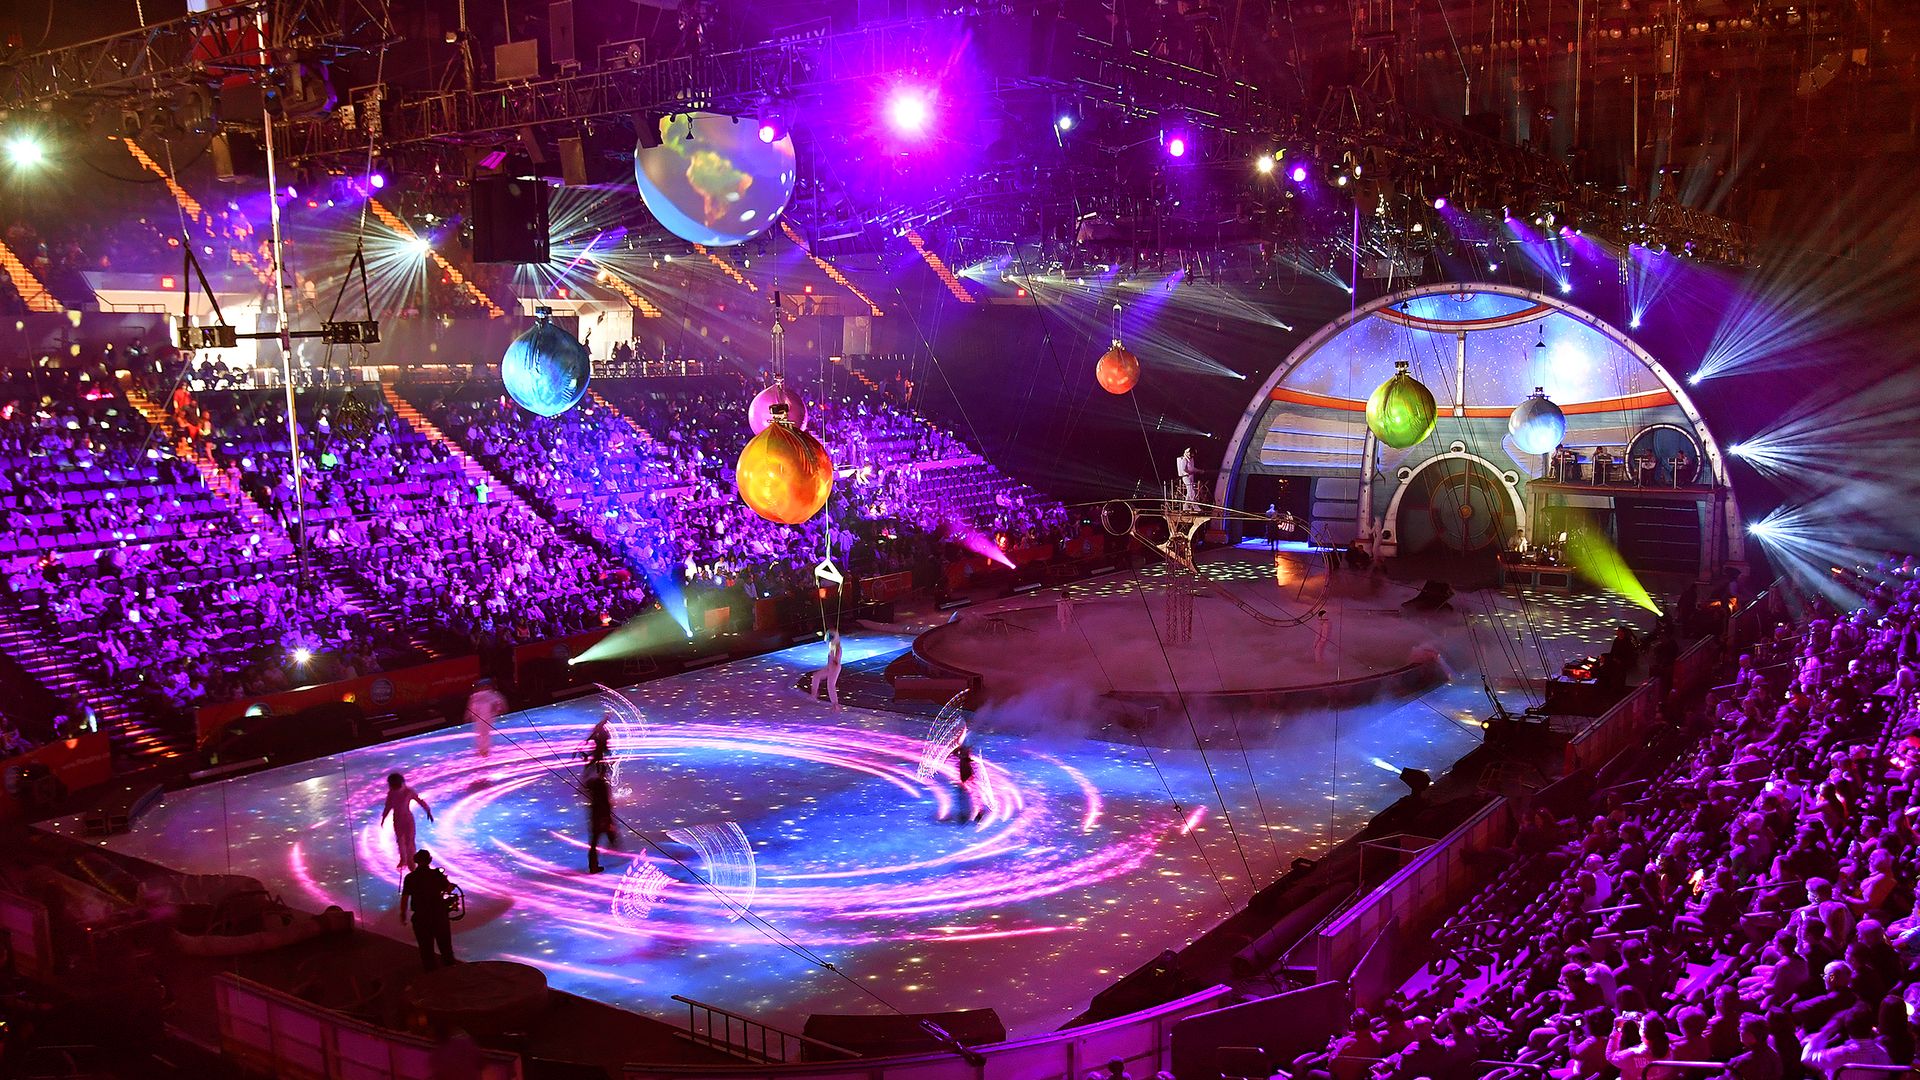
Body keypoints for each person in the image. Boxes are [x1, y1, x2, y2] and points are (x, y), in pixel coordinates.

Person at [399, 848, 456, 970]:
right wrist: (449, 884)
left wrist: (403, 914)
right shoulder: (437, 874)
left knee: (426, 950)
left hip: (420, 918)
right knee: (446, 948)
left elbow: (405, 898)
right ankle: (452, 975)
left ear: (416, 860)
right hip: (439, 916)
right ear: (430, 860)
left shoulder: (410, 877)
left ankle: (431, 976)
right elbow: (448, 889)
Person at [380, 772, 433, 872]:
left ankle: (412, 862)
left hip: (408, 819)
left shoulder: (408, 791)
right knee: (400, 840)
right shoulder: (391, 793)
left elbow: (420, 801)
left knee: (410, 841)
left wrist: (428, 810)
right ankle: (403, 860)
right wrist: (383, 818)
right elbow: (388, 806)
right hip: (397, 819)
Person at [583, 758, 618, 874]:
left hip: (595, 816)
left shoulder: (593, 783)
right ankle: (613, 846)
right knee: (600, 837)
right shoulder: (602, 786)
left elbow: (586, 784)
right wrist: (608, 818)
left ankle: (593, 866)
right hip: (601, 816)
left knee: (594, 841)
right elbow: (606, 803)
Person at [465, 677, 507, 759]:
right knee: (484, 733)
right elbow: (499, 702)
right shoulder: (489, 694)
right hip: (486, 716)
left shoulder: (476, 696)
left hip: (481, 717)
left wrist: (468, 716)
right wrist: (499, 710)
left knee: (481, 733)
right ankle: (484, 750)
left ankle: (483, 750)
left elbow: (471, 707)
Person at [810, 629, 843, 712]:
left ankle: (835, 705)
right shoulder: (832, 645)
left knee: (830, 686)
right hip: (830, 667)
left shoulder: (837, 648)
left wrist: (834, 660)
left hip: (834, 668)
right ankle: (814, 694)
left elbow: (836, 660)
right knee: (816, 675)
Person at [951, 742, 981, 822]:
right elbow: (954, 753)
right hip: (965, 779)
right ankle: (967, 815)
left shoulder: (965, 759)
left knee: (970, 797)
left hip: (967, 779)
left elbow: (955, 753)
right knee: (966, 798)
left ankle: (975, 814)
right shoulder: (963, 759)